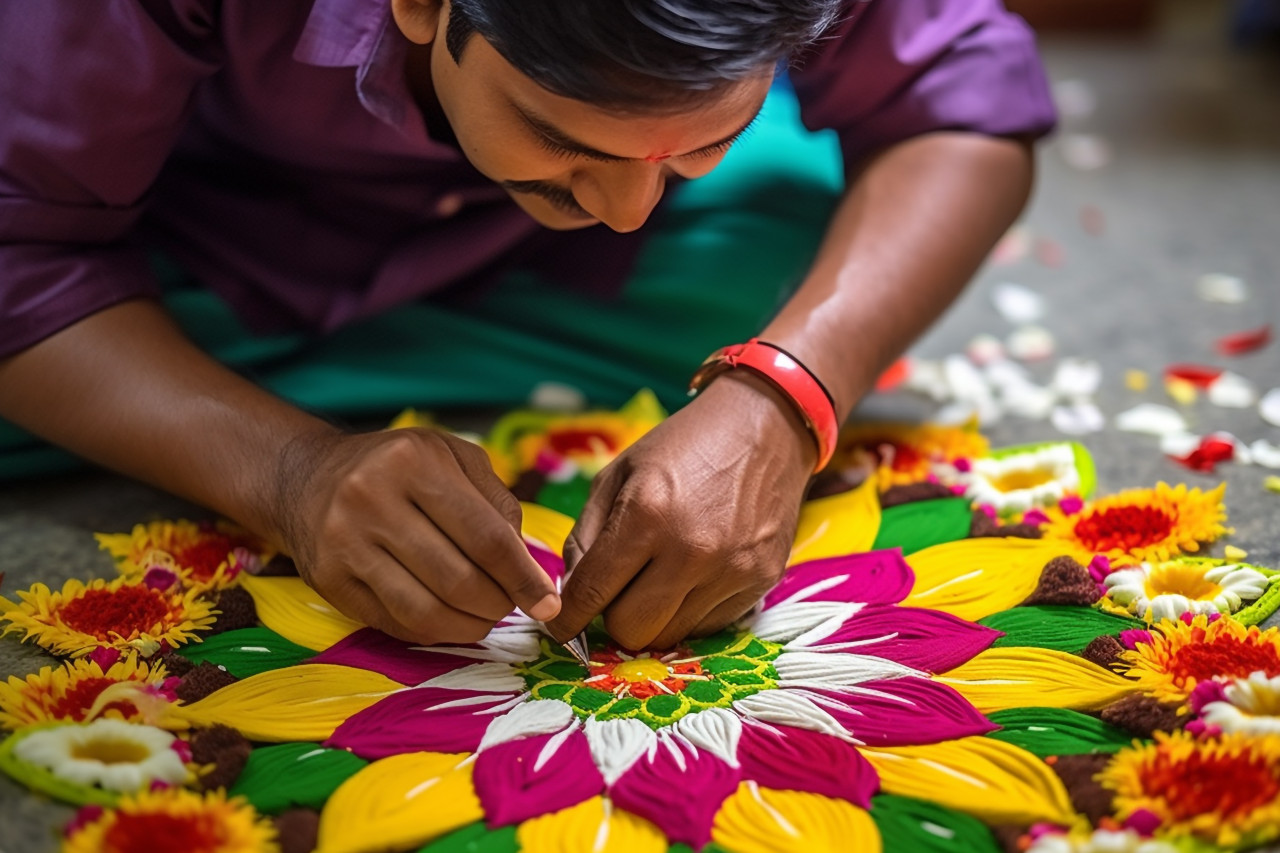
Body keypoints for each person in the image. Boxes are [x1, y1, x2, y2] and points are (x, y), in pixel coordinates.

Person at [0, 0, 1055, 651]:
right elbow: (23, 244)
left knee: (781, 231)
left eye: (694, 144)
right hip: (206, 215)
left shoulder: (630, 189)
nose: (625, 207)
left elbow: (959, 101)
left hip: (528, 261)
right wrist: (288, 472)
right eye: (558, 138)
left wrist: (784, 393)